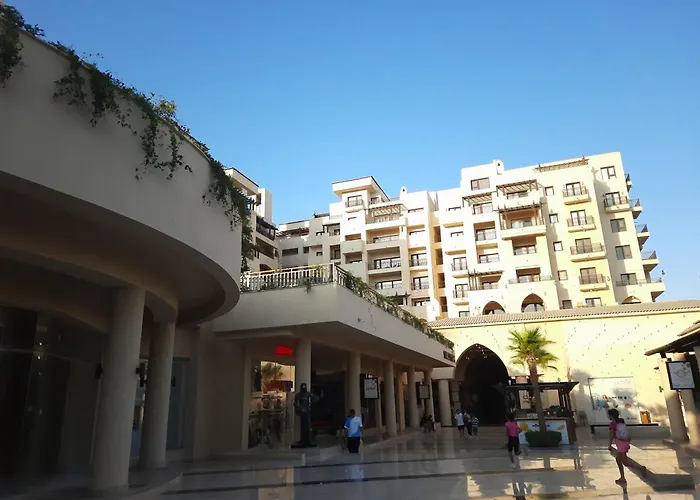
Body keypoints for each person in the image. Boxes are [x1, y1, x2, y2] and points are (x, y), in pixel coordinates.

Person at [608, 408, 631, 485]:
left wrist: (609, 445)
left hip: (620, 443)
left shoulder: (612, 424)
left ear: (611, 416)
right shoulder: (621, 421)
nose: (608, 416)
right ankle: (640, 468)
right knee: (625, 462)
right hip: (625, 441)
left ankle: (622, 478)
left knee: (618, 460)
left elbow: (611, 435)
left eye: (609, 415)